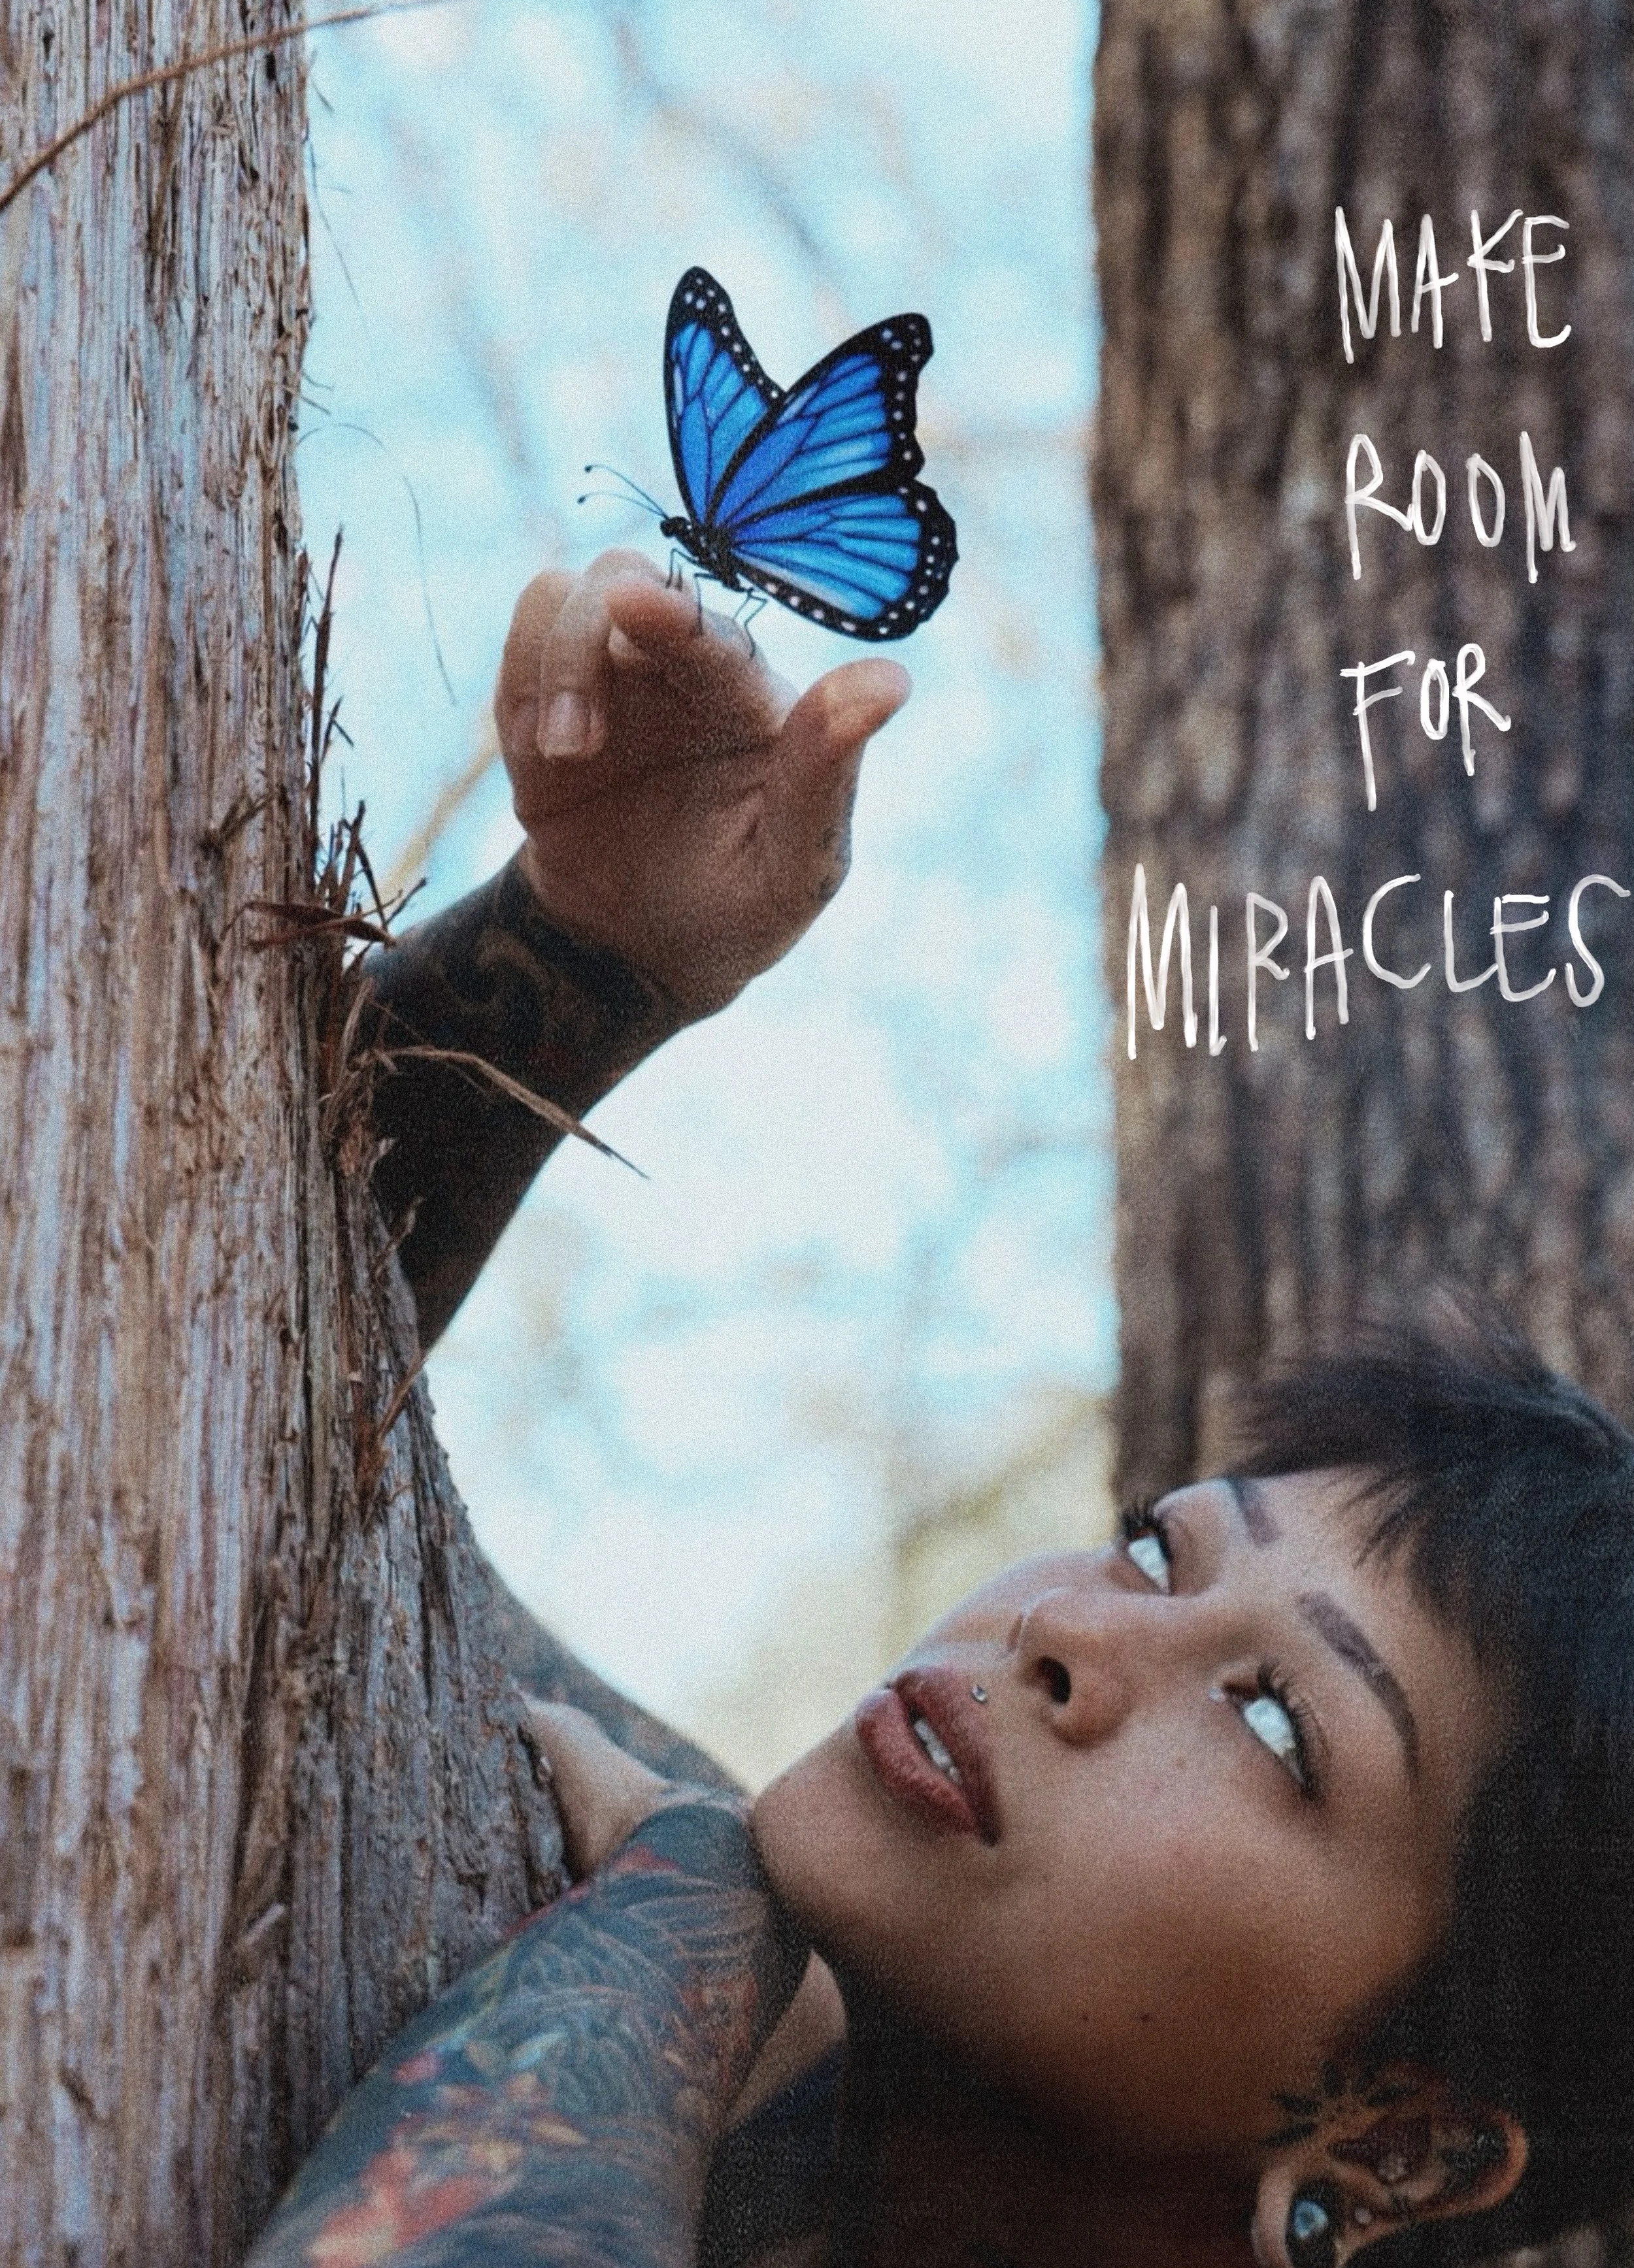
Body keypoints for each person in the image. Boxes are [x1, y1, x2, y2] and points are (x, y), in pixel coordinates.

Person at [247, 555, 1634, 2268]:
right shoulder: (781, 1952)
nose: (1060, 1635)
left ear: (1402, 2135)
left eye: (1275, 1720)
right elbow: (278, 1450)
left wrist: (681, 1924)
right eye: (1150, 1552)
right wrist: (593, 950)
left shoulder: (703, 1903)